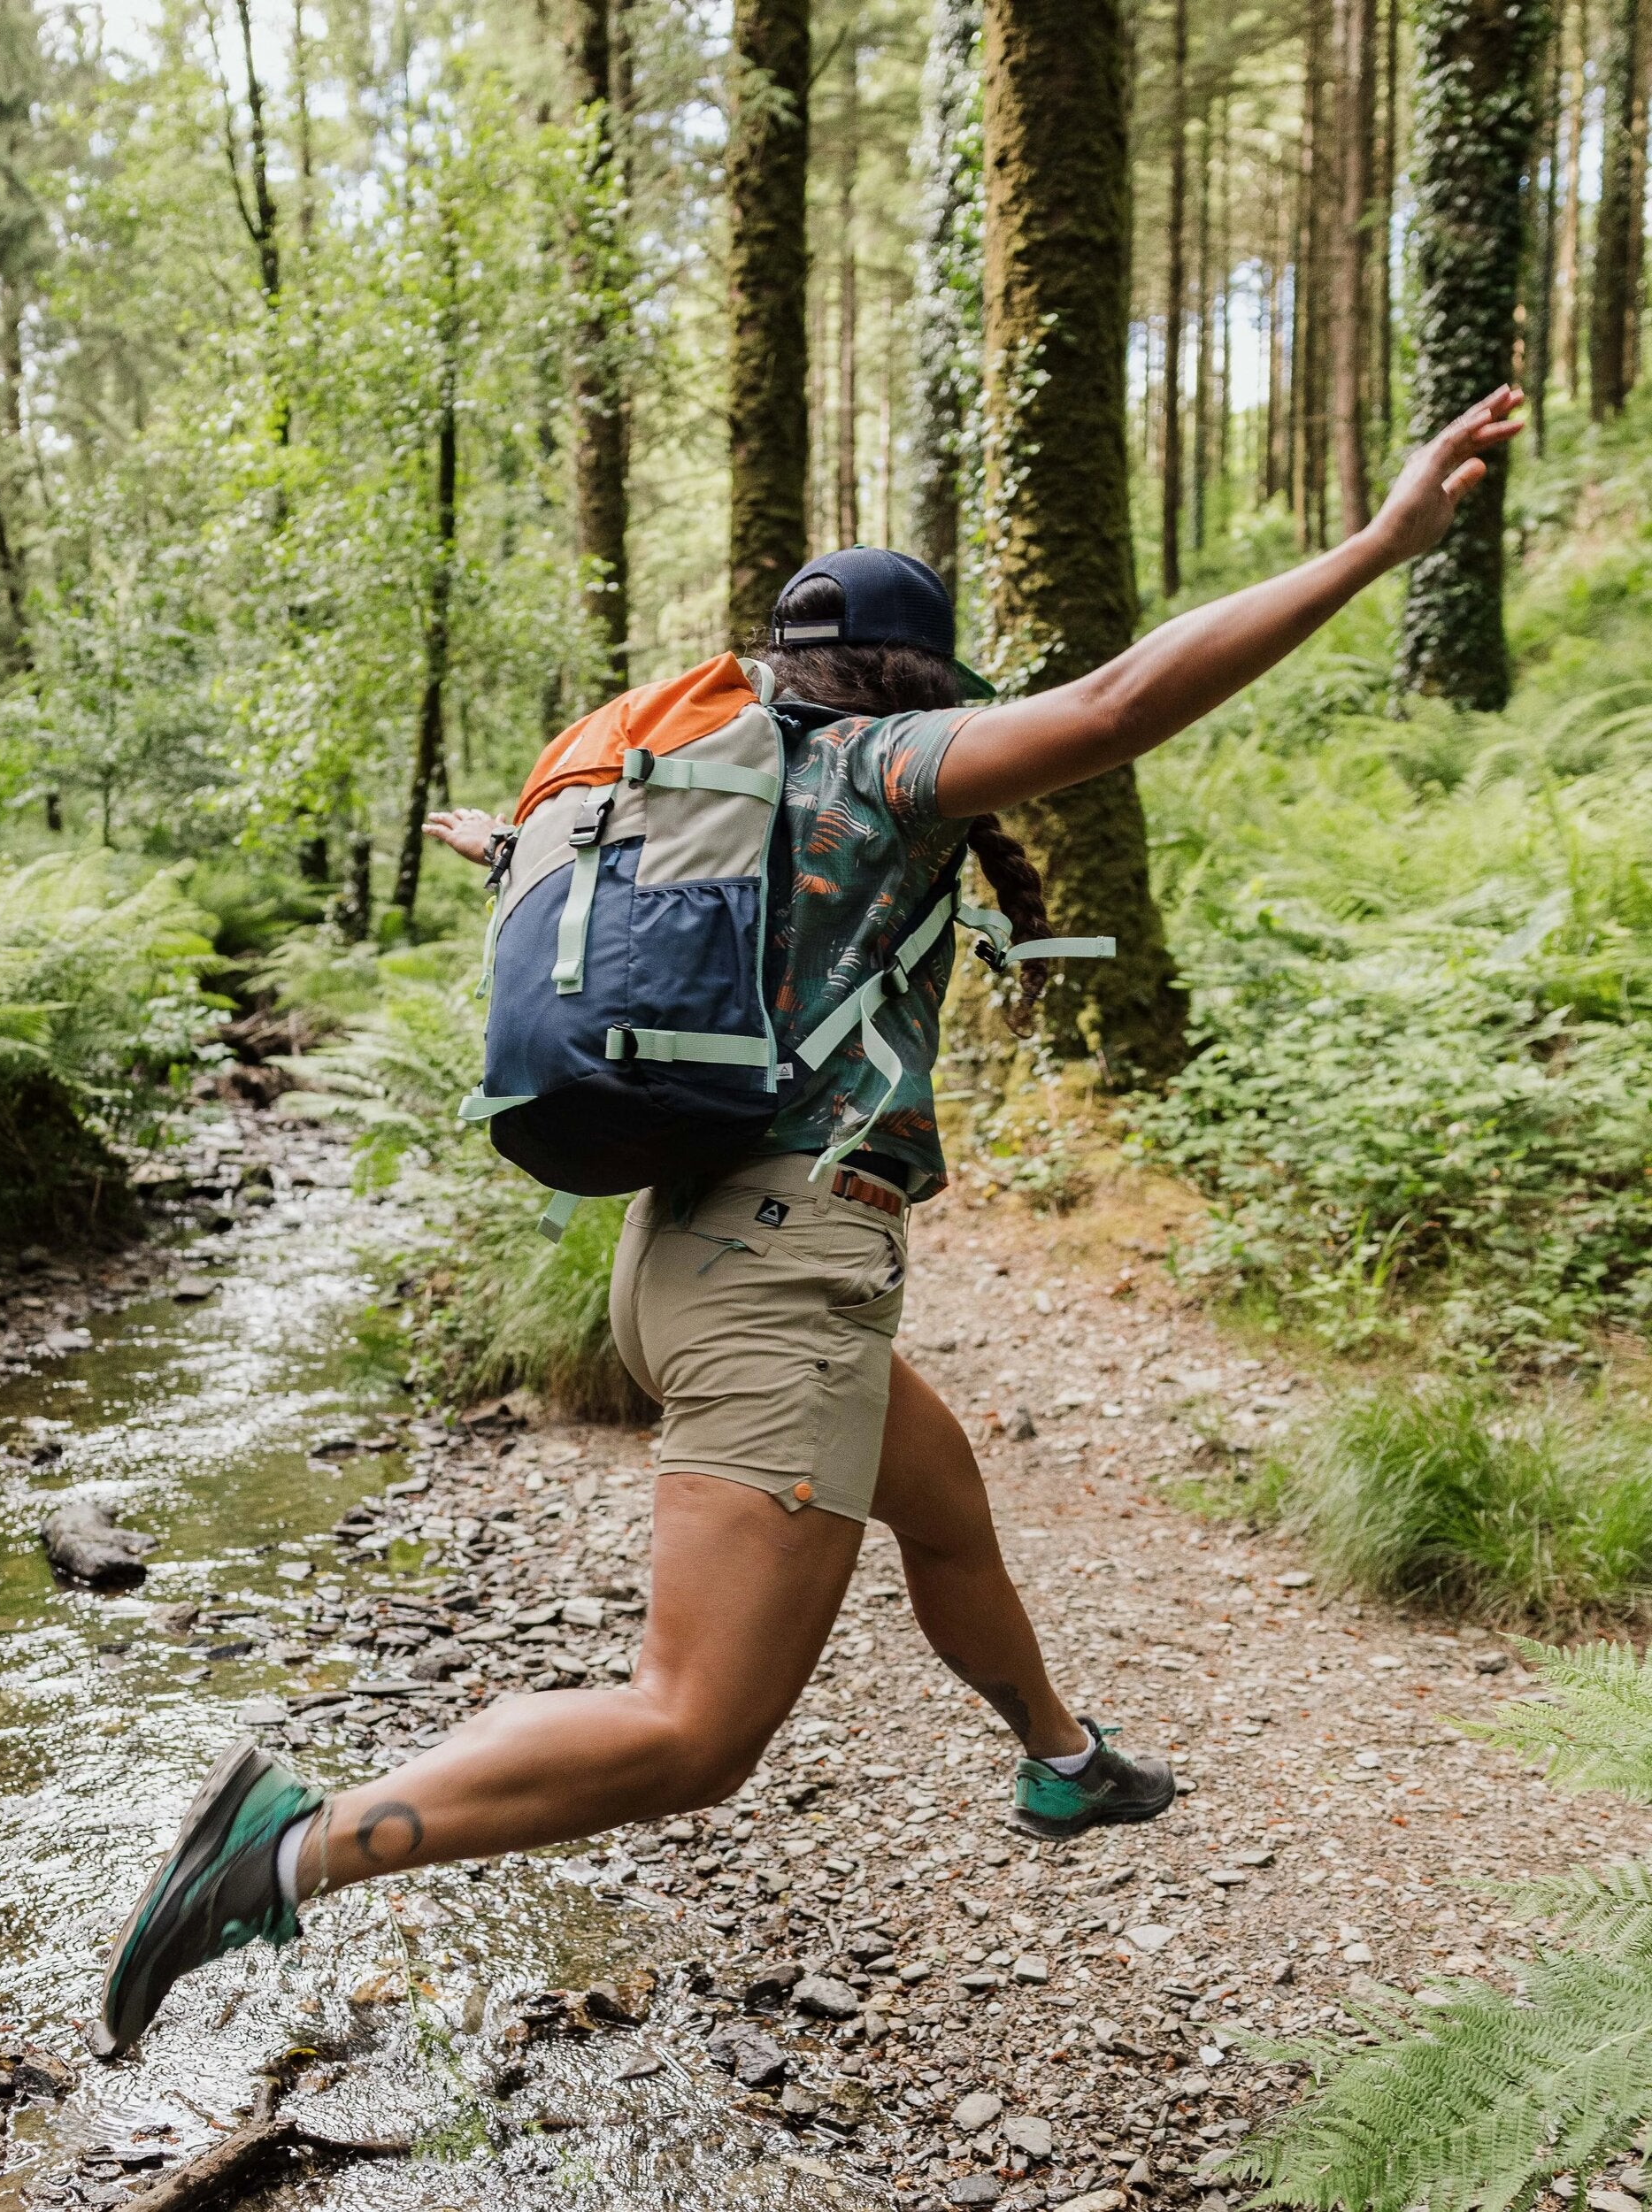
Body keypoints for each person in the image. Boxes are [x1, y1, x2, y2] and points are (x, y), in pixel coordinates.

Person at [95, 388, 1522, 2057]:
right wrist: (1373, 546)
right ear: (917, 681)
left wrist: (504, 846)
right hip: (782, 1276)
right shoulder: (883, 769)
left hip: (686, 1259)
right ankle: (287, 1852)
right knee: (694, 1731)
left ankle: (1061, 1760)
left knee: (948, 1503)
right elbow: (1128, 700)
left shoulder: (697, 786)